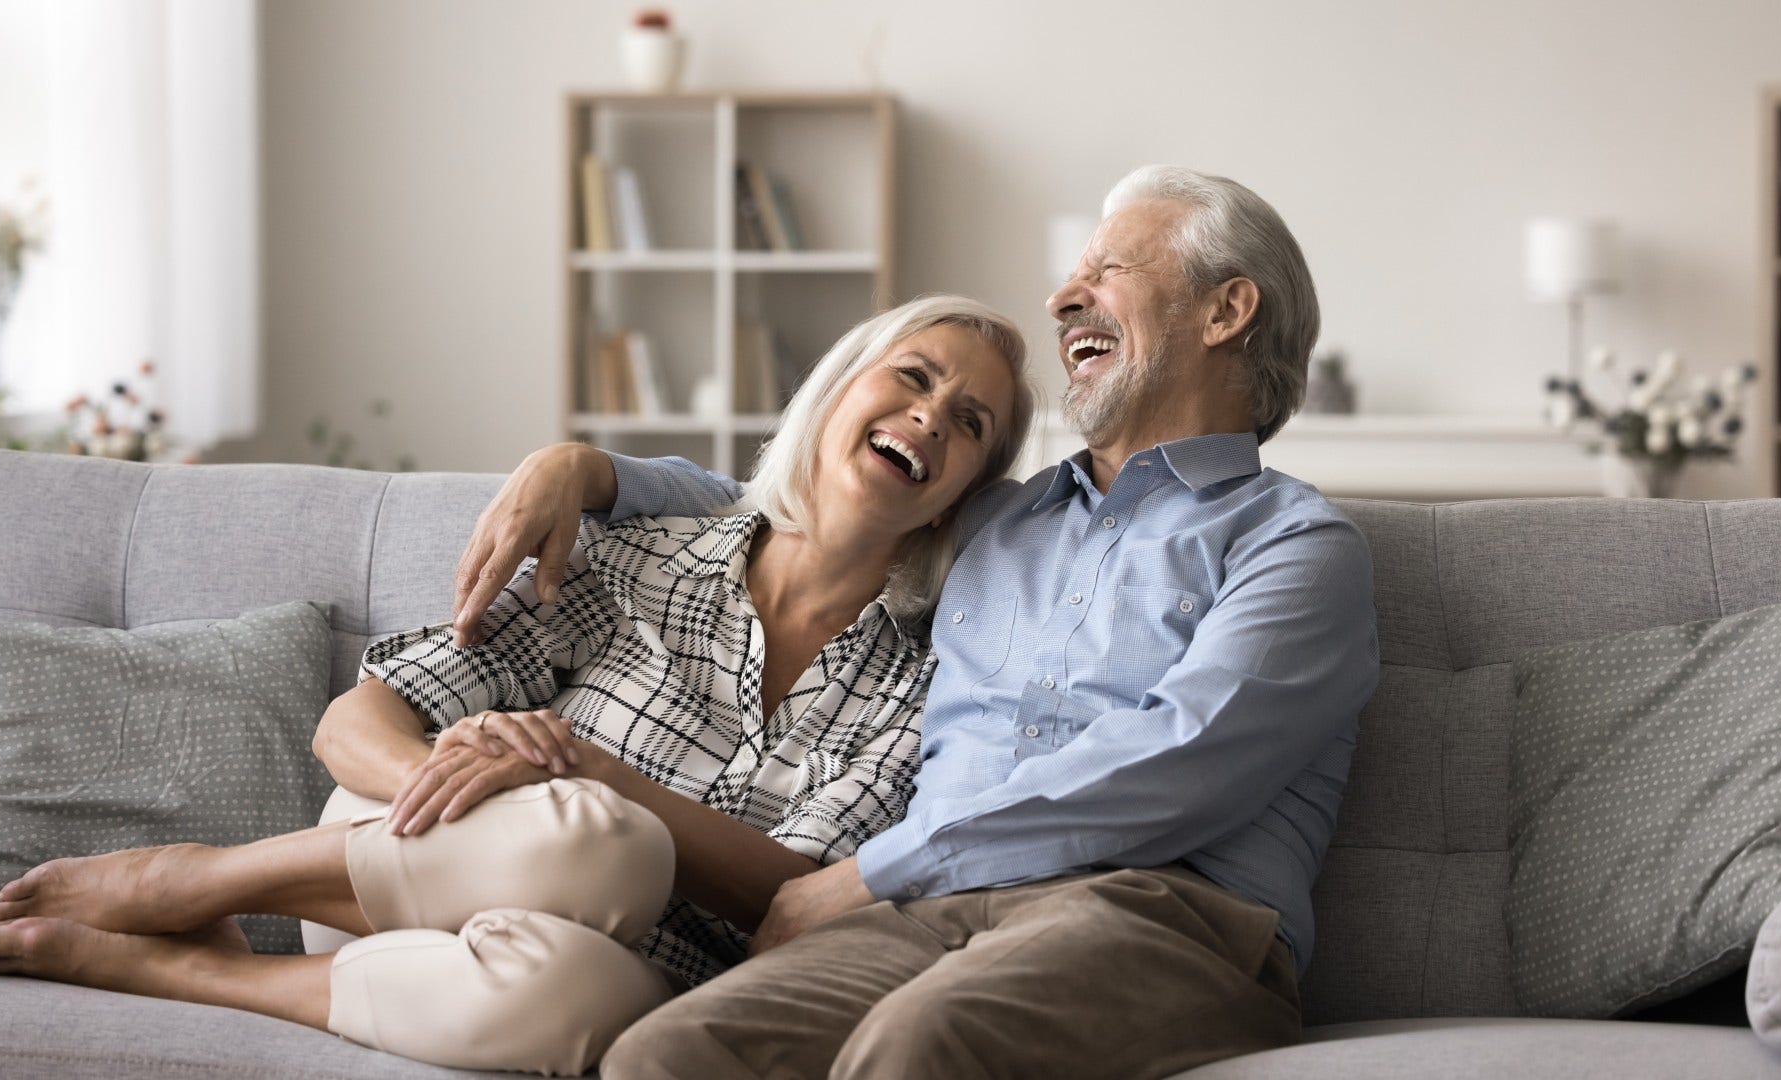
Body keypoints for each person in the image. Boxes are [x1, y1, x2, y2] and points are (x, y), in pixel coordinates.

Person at [447, 165, 1382, 1080]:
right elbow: (800, 507)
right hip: (930, 913)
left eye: (1107, 272)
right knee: (669, 1052)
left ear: (1226, 312)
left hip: (1168, 919)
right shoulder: (994, 521)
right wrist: (586, 470)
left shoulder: (1295, 545)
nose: (1065, 299)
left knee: (921, 1047)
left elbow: (1183, 759)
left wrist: (877, 871)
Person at [0, 294, 1038, 1076]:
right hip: (400, 874)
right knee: (594, 841)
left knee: (587, 1001)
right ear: (843, 389)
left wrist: (585, 766)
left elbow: (790, 890)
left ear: (955, 502)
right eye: (915, 375)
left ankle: (185, 971)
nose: (933, 416)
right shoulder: (645, 556)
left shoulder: (930, 678)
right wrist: (454, 788)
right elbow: (355, 721)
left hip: (591, 967)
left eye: (971, 422)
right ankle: (198, 881)